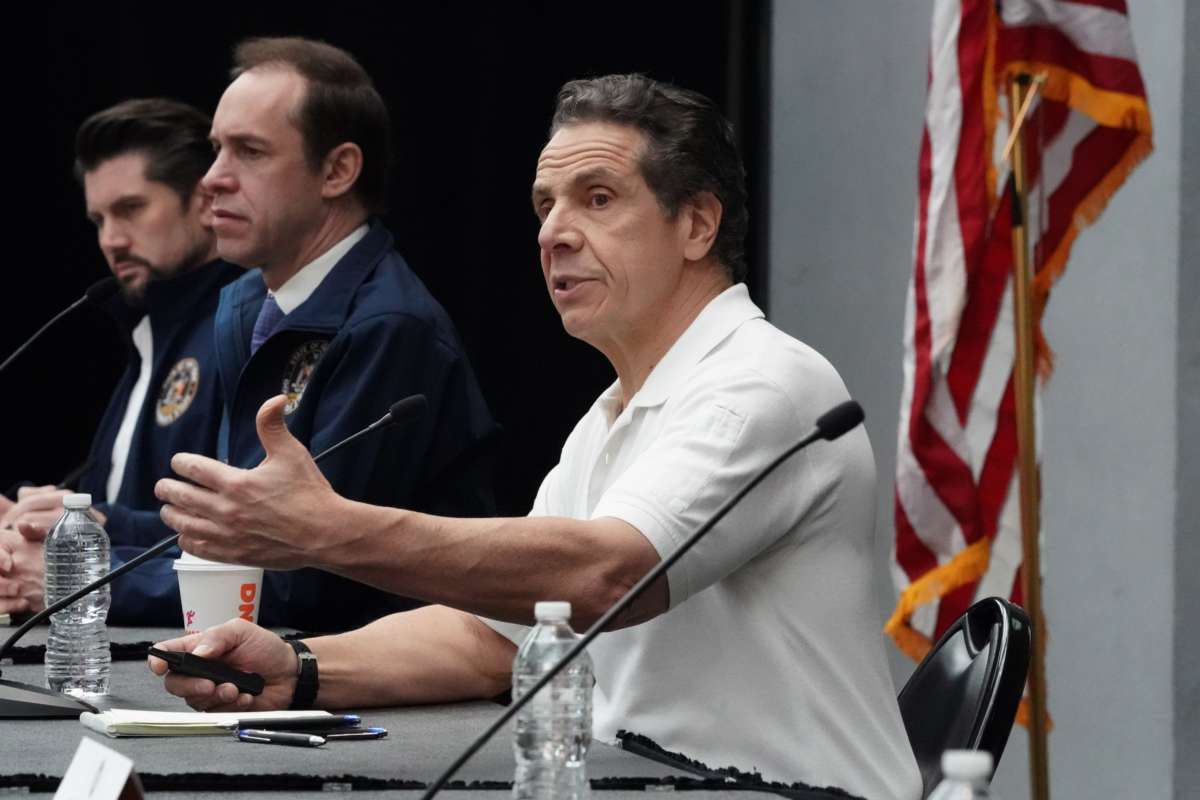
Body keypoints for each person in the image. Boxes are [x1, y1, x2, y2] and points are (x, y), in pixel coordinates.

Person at [149, 74, 921, 800]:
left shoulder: (764, 382)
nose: (554, 232)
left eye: (596, 199)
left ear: (696, 223)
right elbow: (499, 637)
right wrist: (300, 669)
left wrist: (330, 532)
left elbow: (609, 580)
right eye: (544, 205)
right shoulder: (614, 412)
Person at [193, 36, 496, 631]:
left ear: (337, 170)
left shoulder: (389, 327)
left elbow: (302, 577)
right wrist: (91, 536)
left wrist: (99, 572)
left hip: (379, 690)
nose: (212, 179)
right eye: (215, 150)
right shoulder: (246, 305)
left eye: (248, 152)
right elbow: (227, 523)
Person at [0, 99, 241, 625]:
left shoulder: (239, 330)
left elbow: (249, 546)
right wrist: (36, 521)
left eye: (131, 209)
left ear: (204, 201)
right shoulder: (150, 333)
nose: (110, 239)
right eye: (99, 219)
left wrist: (73, 567)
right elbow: (127, 511)